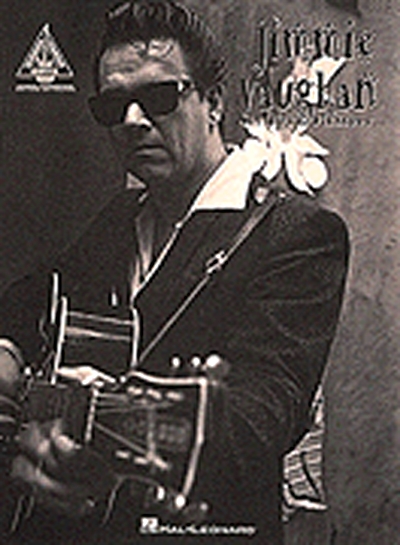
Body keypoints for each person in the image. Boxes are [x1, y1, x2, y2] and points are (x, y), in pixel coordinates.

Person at [0, 1, 349, 543]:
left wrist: (89, 427)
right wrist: (6, 352)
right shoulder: (120, 217)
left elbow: (256, 424)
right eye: (112, 105)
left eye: (160, 97)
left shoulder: (298, 233)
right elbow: (34, 299)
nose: (132, 121)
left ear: (214, 102)